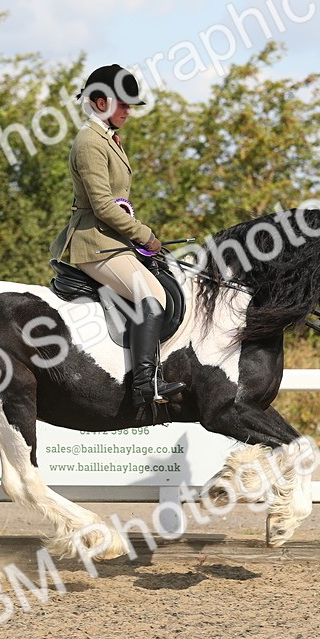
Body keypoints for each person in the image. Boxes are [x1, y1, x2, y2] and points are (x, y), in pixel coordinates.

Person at [49, 64, 185, 407]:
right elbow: (103, 206)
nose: (127, 111)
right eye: (121, 104)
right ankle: (145, 384)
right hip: (95, 244)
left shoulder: (107, 139)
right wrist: (146, 236)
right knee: (150, 298)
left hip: (114, 242)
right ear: (98, 102)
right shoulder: (89, 142)